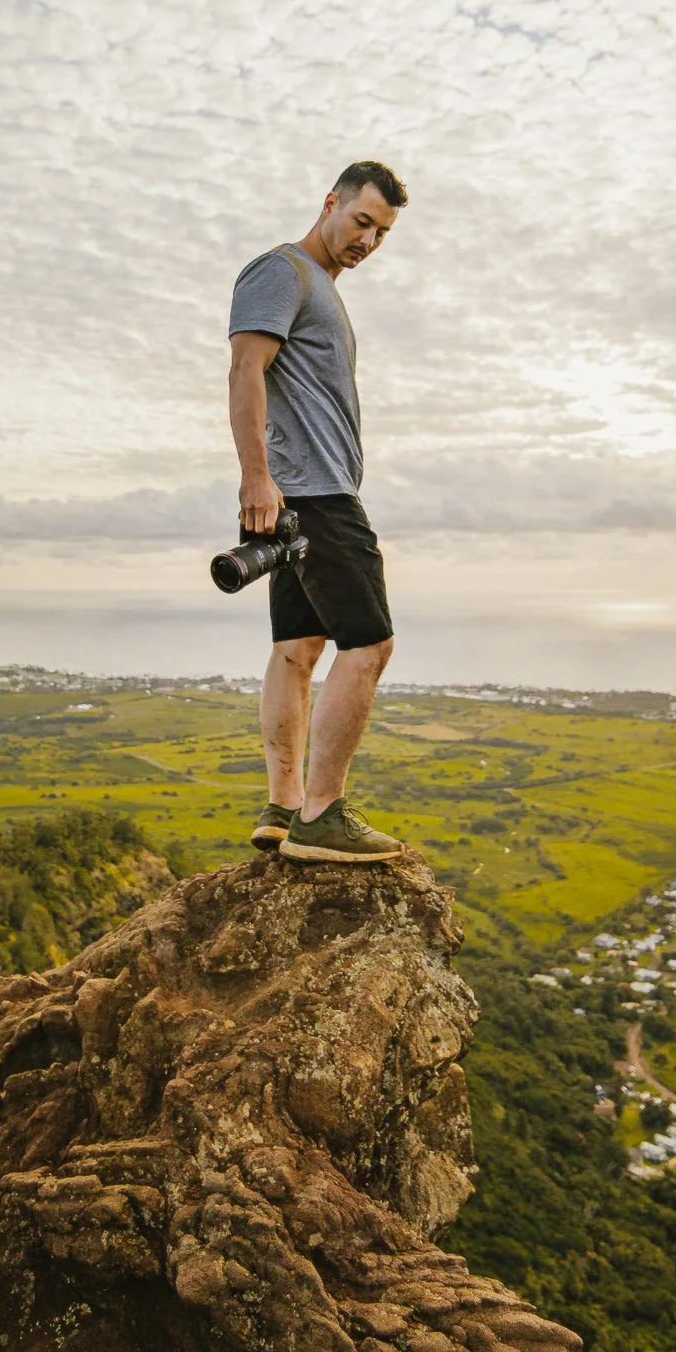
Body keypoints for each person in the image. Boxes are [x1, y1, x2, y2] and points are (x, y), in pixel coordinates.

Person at [227, 159, 408, 863]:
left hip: (296, 493)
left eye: (382, 233)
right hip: (314, 495)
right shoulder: (283, 272)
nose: (368, 240)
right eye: (361, 221)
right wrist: (255, 478)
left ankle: (284, 805)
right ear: (330, 202)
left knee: (297, 649)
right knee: (369, 644)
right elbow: (246, 369)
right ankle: (323, 813)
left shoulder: (321, 290)